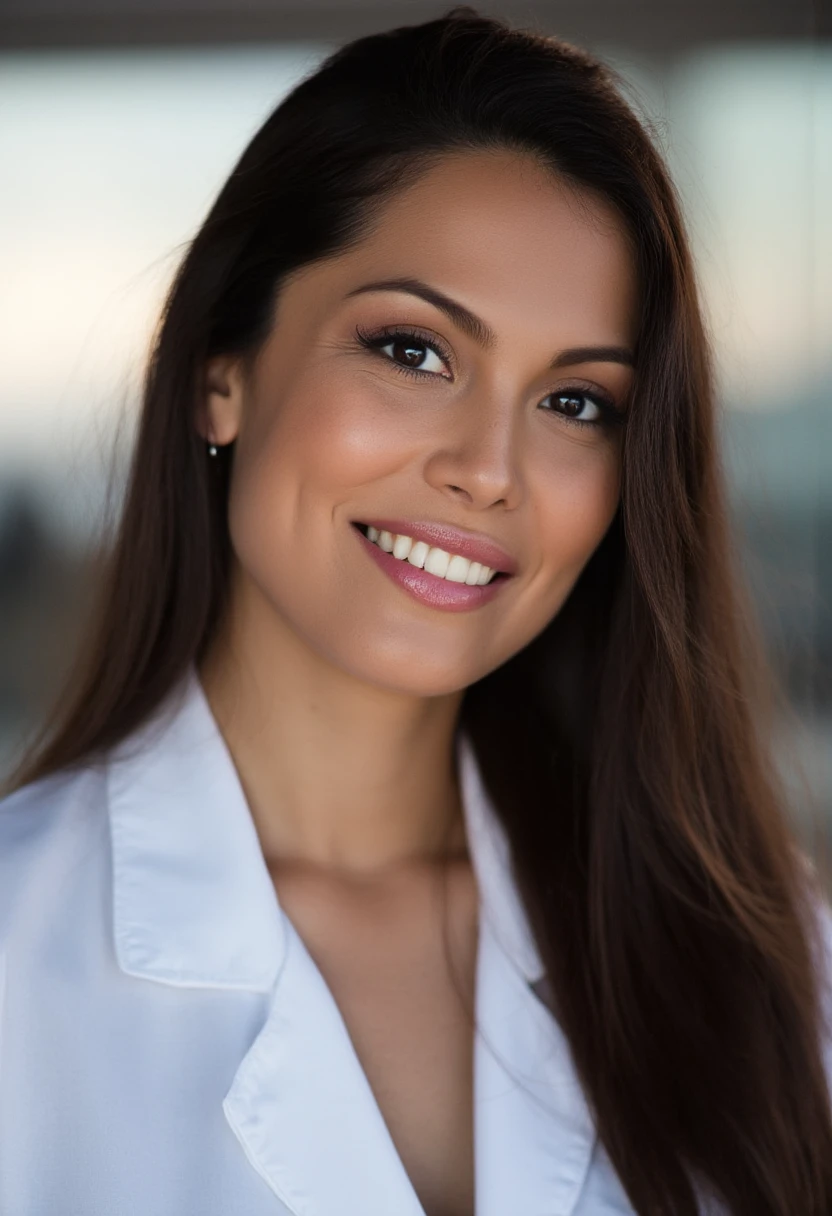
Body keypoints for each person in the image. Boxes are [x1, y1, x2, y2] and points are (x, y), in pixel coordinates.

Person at [1, 6, 830, 1214]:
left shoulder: (775, 969)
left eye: (577, 403)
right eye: (413, 350)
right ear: (217, 374)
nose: (489, 467)